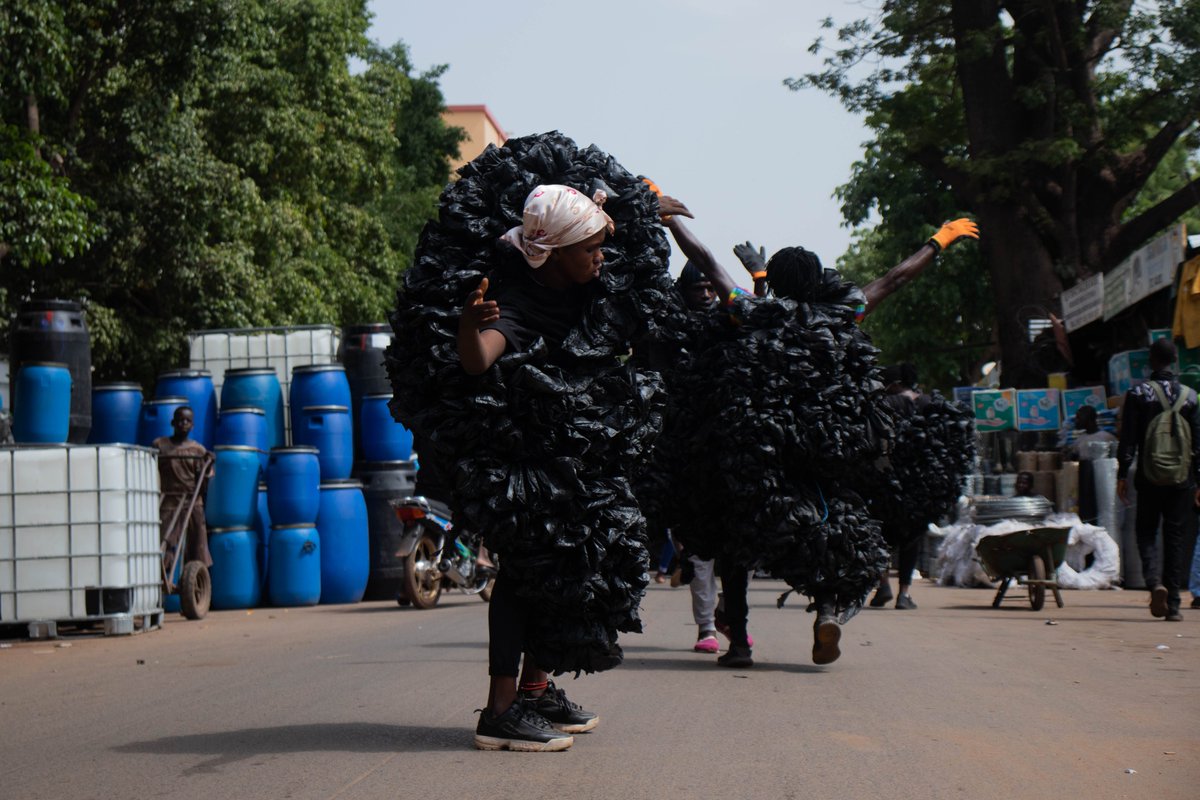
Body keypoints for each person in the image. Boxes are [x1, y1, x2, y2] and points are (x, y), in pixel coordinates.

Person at [460, 183, 658, 751]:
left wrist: (645, 205)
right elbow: (478, 361)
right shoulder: (519, 307)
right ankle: (499, 712)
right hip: (528, 467)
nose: (601, 257)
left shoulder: (584, 282)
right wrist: (468, 324)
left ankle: (535, 690)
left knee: (565, 569)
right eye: (591, 249)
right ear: (557, 252)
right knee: (524, 574)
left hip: (577, 460)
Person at [1116, 338, 1200, 622]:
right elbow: (1198, 443)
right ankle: (1174, 605)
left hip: (1148, 476)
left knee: (1146, 531)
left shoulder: (1138, 393)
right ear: (1175, 360)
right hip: (1182, 479)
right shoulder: (1191, 396)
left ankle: (1154, 583)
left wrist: (1121, 474)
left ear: (1151, 360)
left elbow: (1127, 439)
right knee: (1174, 537)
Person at [154, 407, 213, 576]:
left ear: (193, 426)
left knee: (198, 546)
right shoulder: (161, 445)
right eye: (180, 420)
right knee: (166, 542)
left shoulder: (198, 450)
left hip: (193, 501)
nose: (183, 424)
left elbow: (203, 482)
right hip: (169, 501)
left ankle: (197, 581)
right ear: (173, 423)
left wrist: (208, 466)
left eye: (187, 421)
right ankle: (163, 578)